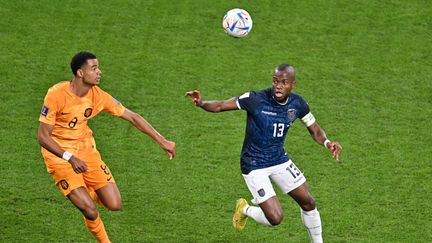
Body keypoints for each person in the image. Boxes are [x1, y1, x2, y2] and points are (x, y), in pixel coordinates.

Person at [185, 64, 341, 243]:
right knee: (275, 217)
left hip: (279, 159)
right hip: (254, 164)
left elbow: (314, 129)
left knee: (309, 203)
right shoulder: (255, 99)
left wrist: (327, 143)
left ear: (292, 84)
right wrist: (202, 103)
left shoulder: (298, 103)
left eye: (284, 82)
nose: (278, 86)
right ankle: (244, 209)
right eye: (275, 81)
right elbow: (220, 106)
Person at [38, 51, 176, 243]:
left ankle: (83, 187)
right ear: (80, 73)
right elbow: (43, 137)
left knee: (114, 204)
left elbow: (132, 116)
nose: (99, 72)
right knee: (89, 209)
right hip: (59, 156)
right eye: (94, 68)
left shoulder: (98, 96)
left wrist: (162, 140)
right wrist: (70, 157)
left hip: (86, 151)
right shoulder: (56, 95)